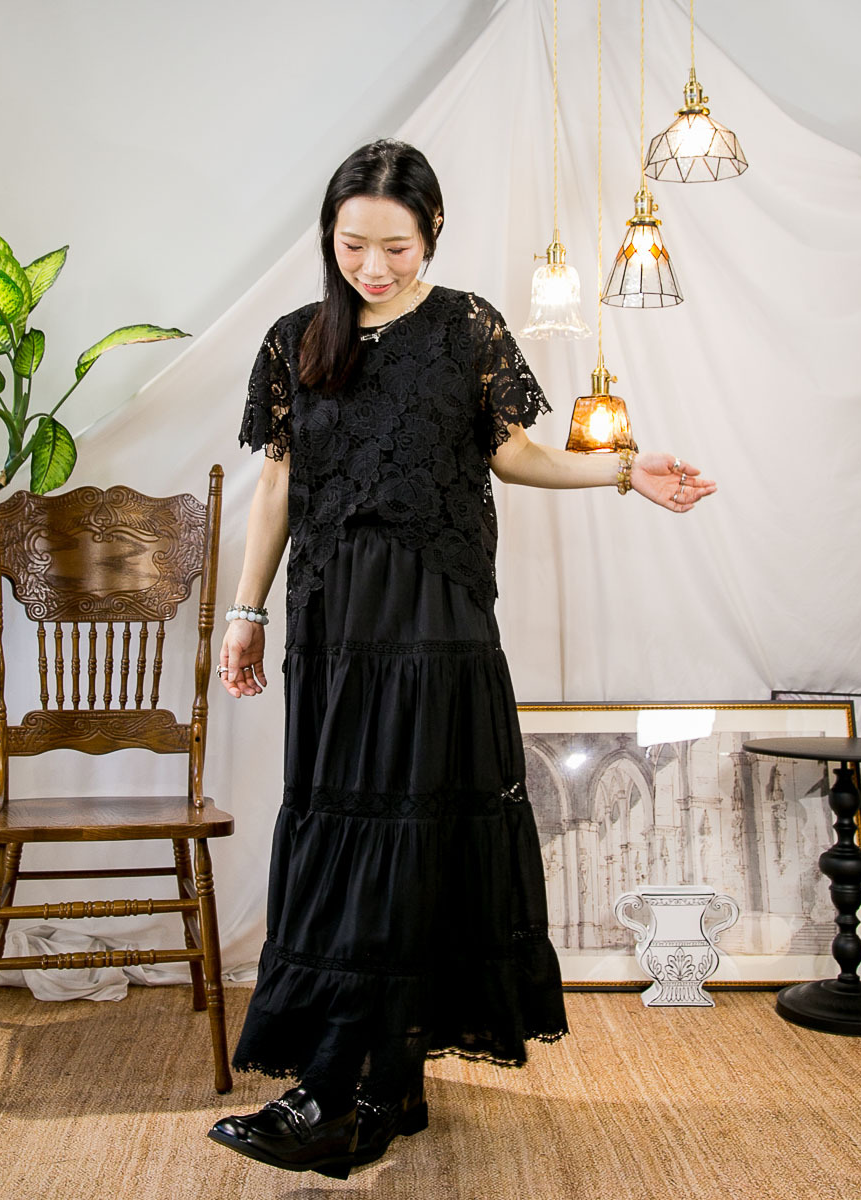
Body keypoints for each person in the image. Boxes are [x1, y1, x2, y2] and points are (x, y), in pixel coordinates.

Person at [207, 139, 716, 1180]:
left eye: (396, 246)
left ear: (433, 232)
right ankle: (387, 1084)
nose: (373, 265)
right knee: (345, 835)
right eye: (353, 244)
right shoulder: (295, 341)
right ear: (329, 236)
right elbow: (278, 485)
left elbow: (511, 452)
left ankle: (338, 1092)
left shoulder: (466, 327)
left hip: (437, 624)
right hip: (333, 628)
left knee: (420, 838)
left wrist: (623, 470)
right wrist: (244, 611)